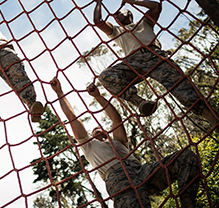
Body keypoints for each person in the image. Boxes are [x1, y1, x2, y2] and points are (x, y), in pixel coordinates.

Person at [49, 77, 219, 208]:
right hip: (118, 180)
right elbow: (72, 118)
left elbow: (116, 119)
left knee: (186, 157)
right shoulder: (89, 146)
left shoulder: (118, 142)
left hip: (141, 171)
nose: (97, 129)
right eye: (94, 131)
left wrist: (98, 97)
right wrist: (60, 92)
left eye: (100, 128)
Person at [93, 0, 219, 129]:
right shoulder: (116, 31)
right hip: (133, 61)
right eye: (114, 15)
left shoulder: (144, 23)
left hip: (154, 55)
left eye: (119, 13)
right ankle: (139, 102)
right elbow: (98, 21)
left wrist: (132, 1)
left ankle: (211, 117)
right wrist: (98, 2)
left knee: (181, 87)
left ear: (129, 13)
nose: (115, 16)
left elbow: (156, 7)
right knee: (105, 76)